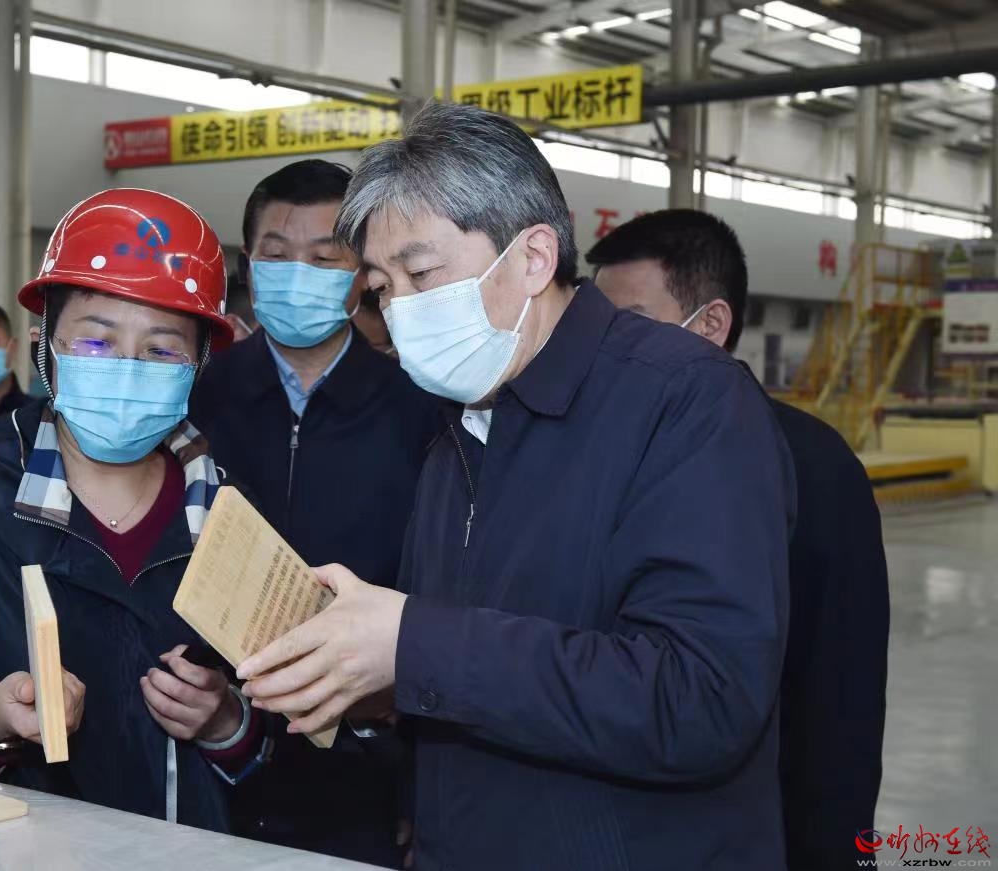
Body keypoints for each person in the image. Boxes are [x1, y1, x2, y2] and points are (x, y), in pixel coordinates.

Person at [236, 103, 795, 871]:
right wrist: (369, 677)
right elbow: (479, 675)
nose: (400, 311)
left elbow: (699, 697)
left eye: (421, 274)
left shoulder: (685, 400)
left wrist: (413, 642)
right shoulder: (459, 423)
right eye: (383, 286)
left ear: (533, 256)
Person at [0, 189, 266, 830]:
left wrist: (226, 722)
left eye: (161, 350)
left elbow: (284, 744)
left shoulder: (232, 517)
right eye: (95, 342)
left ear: (199, 365)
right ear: (45, 349)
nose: (126, 369)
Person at [587, 208, 890, 871]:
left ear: (711, 325)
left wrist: (836, 851)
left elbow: (841, 698)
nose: (607, 349)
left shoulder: (815, 467)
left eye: (629, 323)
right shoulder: (595, 454)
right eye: (598, 327)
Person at [188, 159, 440, 867]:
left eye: (325, 258)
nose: (298, 273)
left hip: (366, 763)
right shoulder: (197, 395)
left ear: (362, 273)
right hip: (209, 744)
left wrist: (416, 784)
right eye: (276, 255)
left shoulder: (420, 407)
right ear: (248, 264)